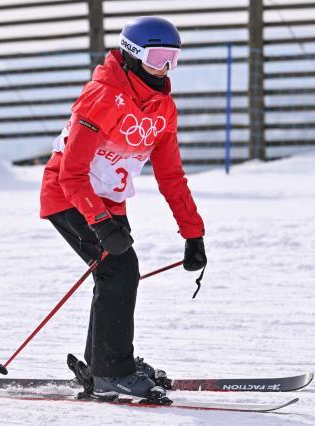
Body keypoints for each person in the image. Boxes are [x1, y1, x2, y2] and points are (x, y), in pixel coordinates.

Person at [39, 16, 207, 400]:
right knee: (120, 267)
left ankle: (104, 363)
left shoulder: (163, 109)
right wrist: (100, 223)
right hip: (68, 195)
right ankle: (113, 370)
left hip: (107, 198)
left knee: (117, 272)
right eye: (157, 57)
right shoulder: (102, 96)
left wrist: (193, 233)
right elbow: (72, 172)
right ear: (132, 55)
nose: (165, 68)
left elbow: (172, 178)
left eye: (173, 59)